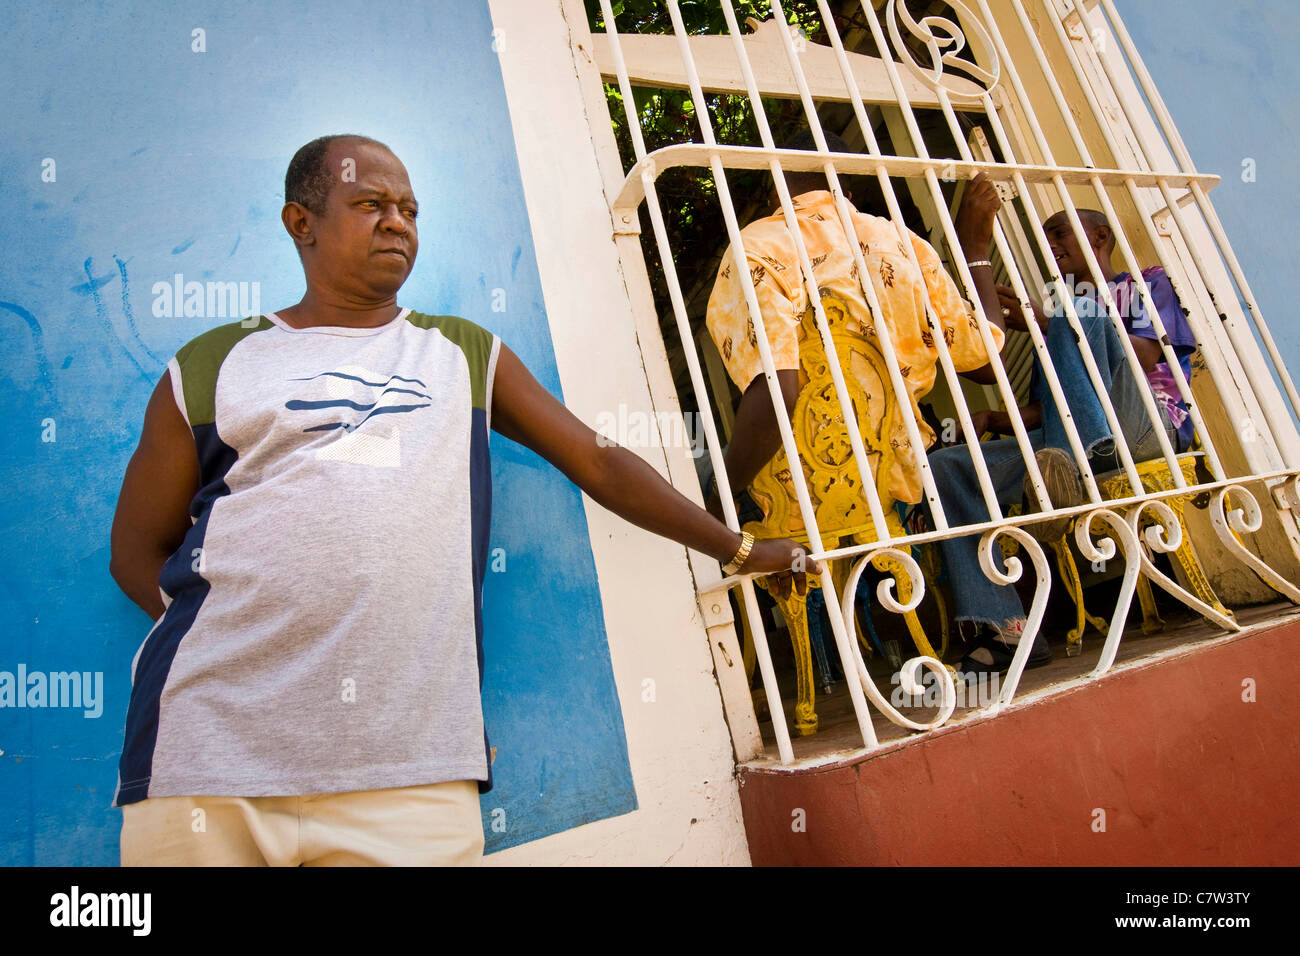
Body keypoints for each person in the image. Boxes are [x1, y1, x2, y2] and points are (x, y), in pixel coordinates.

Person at [107, 134, 820, 867]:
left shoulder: (462, 353)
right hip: (207, 763)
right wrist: (253, 635)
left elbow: (600, 463)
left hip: (411, 767)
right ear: (302, 223)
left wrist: (736, 548)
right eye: (371, 204)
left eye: (410, 209)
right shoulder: (213, 363)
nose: (397, 222)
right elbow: (135, 553)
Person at [928, 205, 1198, 674]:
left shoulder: (1143, 283)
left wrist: (1048, 322)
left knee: (1083, 309)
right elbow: (1050, 409)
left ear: (1102, 236)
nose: (1051, 244)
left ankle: (1084, 455)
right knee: (948, 467)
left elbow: (1147, 352)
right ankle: (1009, 629)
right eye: (1045, 236)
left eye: (1059, 232)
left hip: (1146, 424)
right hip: (1066, 447)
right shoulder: (1062, 321)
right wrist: (993, 417)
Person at [703, 130, 1009, 525]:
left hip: (794, 494)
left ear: (774, 192)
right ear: (845, 183)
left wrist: (719, 497)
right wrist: (976, 250)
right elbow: (986, 364)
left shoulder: (757, 246)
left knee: (701, 474)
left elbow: (778, 389)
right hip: (893, 478)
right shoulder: (902, 242)